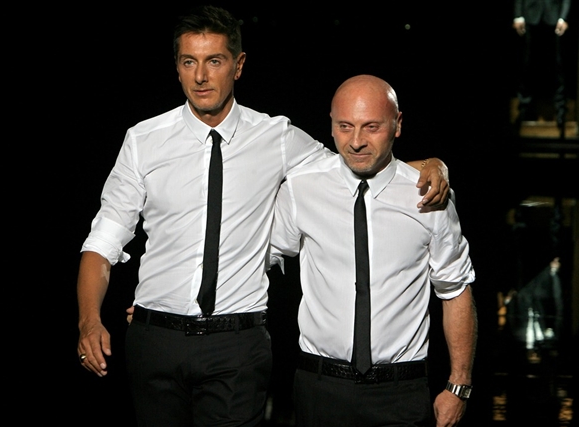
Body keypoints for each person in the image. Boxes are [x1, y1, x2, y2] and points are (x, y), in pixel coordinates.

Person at [76, 6, 451, 427]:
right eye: (189, 62)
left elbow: (354, 163)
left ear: (238, 66)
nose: (200, 76)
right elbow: (103, 240)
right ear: (177, 67)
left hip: (237, 344)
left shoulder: (277, 137)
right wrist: (90, 321)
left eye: (214, 61)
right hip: (155, 339)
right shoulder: (143, 140)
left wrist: (429, 164)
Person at [270, 75, 477, 427]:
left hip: (401, 392)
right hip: (319, 388)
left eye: (371, 127)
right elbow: (254, 260)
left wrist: (459, 385)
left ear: (397, 124)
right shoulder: (301, 189)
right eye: (345, 126)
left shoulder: (428, 196)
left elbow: (455, 289)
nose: (356, 141)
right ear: (331, 124)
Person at [512, 0, 571, 137]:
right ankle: (524, 109)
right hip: (530, 14)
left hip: (554, 16)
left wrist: (564, 17)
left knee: (558, 66)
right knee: (527, 65)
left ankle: (561, 111)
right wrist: (518, 15)